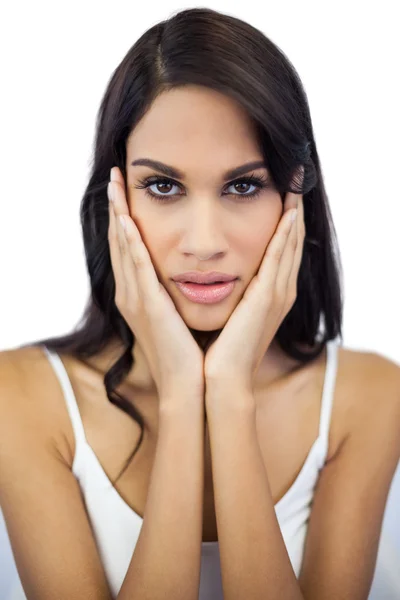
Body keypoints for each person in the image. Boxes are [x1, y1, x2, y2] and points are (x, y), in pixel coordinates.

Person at [1, 7, 399, 600]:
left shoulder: (368, 397)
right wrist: (183, 393)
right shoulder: (22, 398)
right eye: (163, 186)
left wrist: (229, 393)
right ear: (115, 199)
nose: (205, 243)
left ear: (295, 197)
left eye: (244, 185)